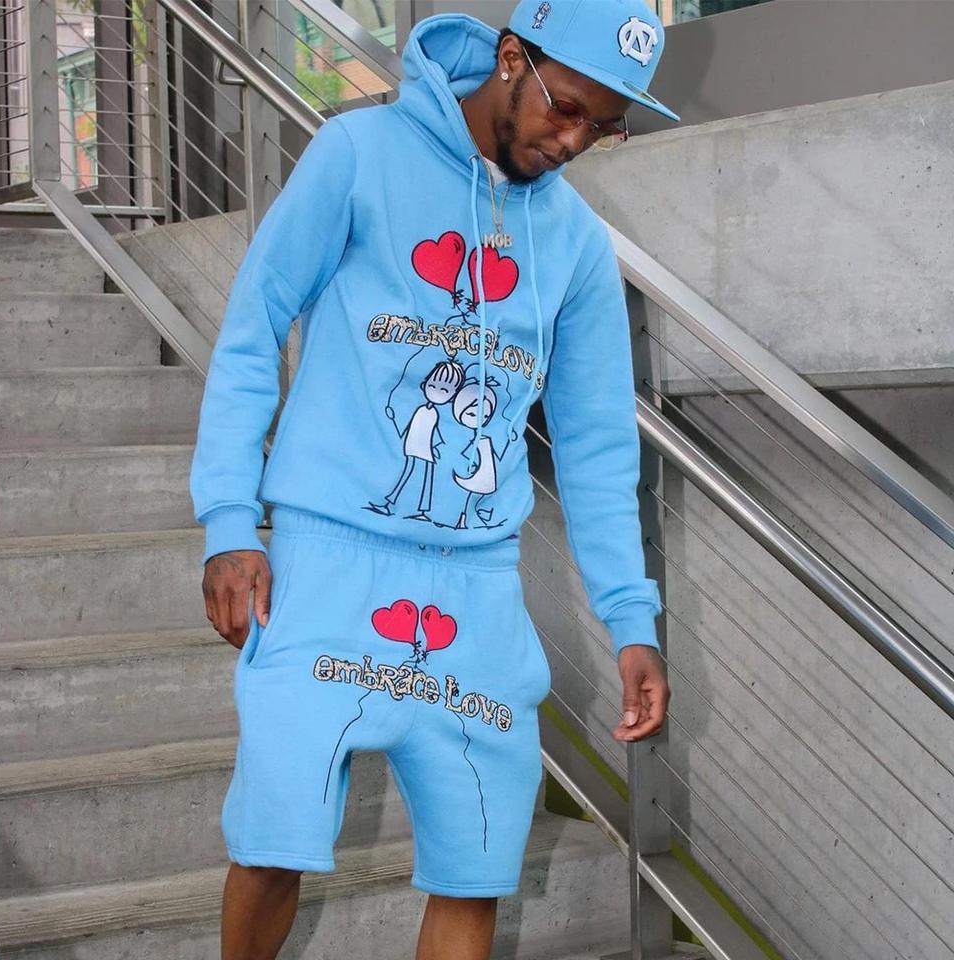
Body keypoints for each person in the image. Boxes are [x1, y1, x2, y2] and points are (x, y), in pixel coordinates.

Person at [189, 1, 680, 957]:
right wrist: (229, 524)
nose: (573, 141)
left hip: (477, 587)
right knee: (274, 841)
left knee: (475, 867)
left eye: (603, 126)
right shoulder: (358, 153)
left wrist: (631, 621)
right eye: (567, 107)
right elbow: (253, 329)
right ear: (512, 57)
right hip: (328, 559)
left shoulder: (577, 245)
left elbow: (594, 450)